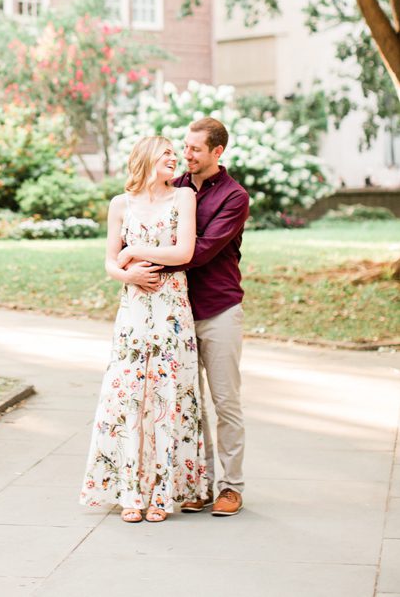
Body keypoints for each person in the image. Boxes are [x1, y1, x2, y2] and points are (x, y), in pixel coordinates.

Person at [81, 135, 206, 523]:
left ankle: (162, 495)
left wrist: (134, 252)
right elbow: (109, 263)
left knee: (168, 395)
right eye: (167, 153)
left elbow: (183, 253)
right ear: (147, 158)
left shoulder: (183, 198)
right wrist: (127, 272)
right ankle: (131, 493)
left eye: (176, 154)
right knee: (130, 395)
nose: (175, 159)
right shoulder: (121, 204)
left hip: (171, 308)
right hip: (133, 310)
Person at [172, 117, 250, 518]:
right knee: (191, 403)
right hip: (177, 312)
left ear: (217, 152)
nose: (186, 154)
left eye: (195, 149)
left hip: (219, 309)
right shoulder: (174, 187)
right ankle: (197, 485)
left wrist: (149, 259)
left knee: (225, 402)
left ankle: (231, 487)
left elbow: (200, 252)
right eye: (184, 146)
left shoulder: (235, 197)